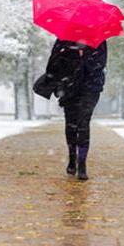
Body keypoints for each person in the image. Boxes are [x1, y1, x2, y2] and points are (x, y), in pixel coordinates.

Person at [43, 38, 108, 181]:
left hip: (90, 89)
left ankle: (82, 163)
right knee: (71, 124)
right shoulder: (64, 38)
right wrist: (70, 55)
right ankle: (72, 158)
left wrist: (84, 56)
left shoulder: (98, 39)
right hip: (69, 88)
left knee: (84, 123)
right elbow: (53, 62)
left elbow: (101, 64)